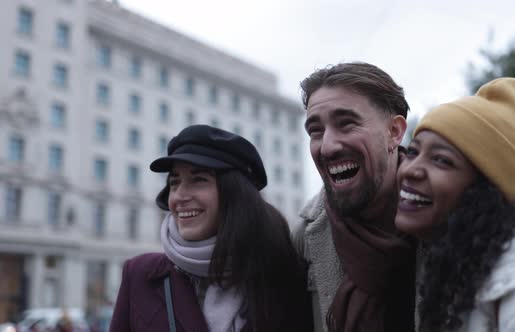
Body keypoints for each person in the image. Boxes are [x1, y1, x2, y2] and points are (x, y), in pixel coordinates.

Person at [395, 77, 515, 331]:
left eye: (441, 160)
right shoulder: (467, 277)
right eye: (413, 151)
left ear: (486, 191)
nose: (410, 170)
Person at [109, 125, 312, 332]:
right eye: (174, 182)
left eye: (198, 180)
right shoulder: (140, 275)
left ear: (235, 195)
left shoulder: (288, 276)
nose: (179, 196)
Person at [295, 62, 416, 332]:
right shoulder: (304, 237)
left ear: (394, 132)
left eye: (346, 124)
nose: (327, 147)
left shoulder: (451, 216)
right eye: (316, 131)